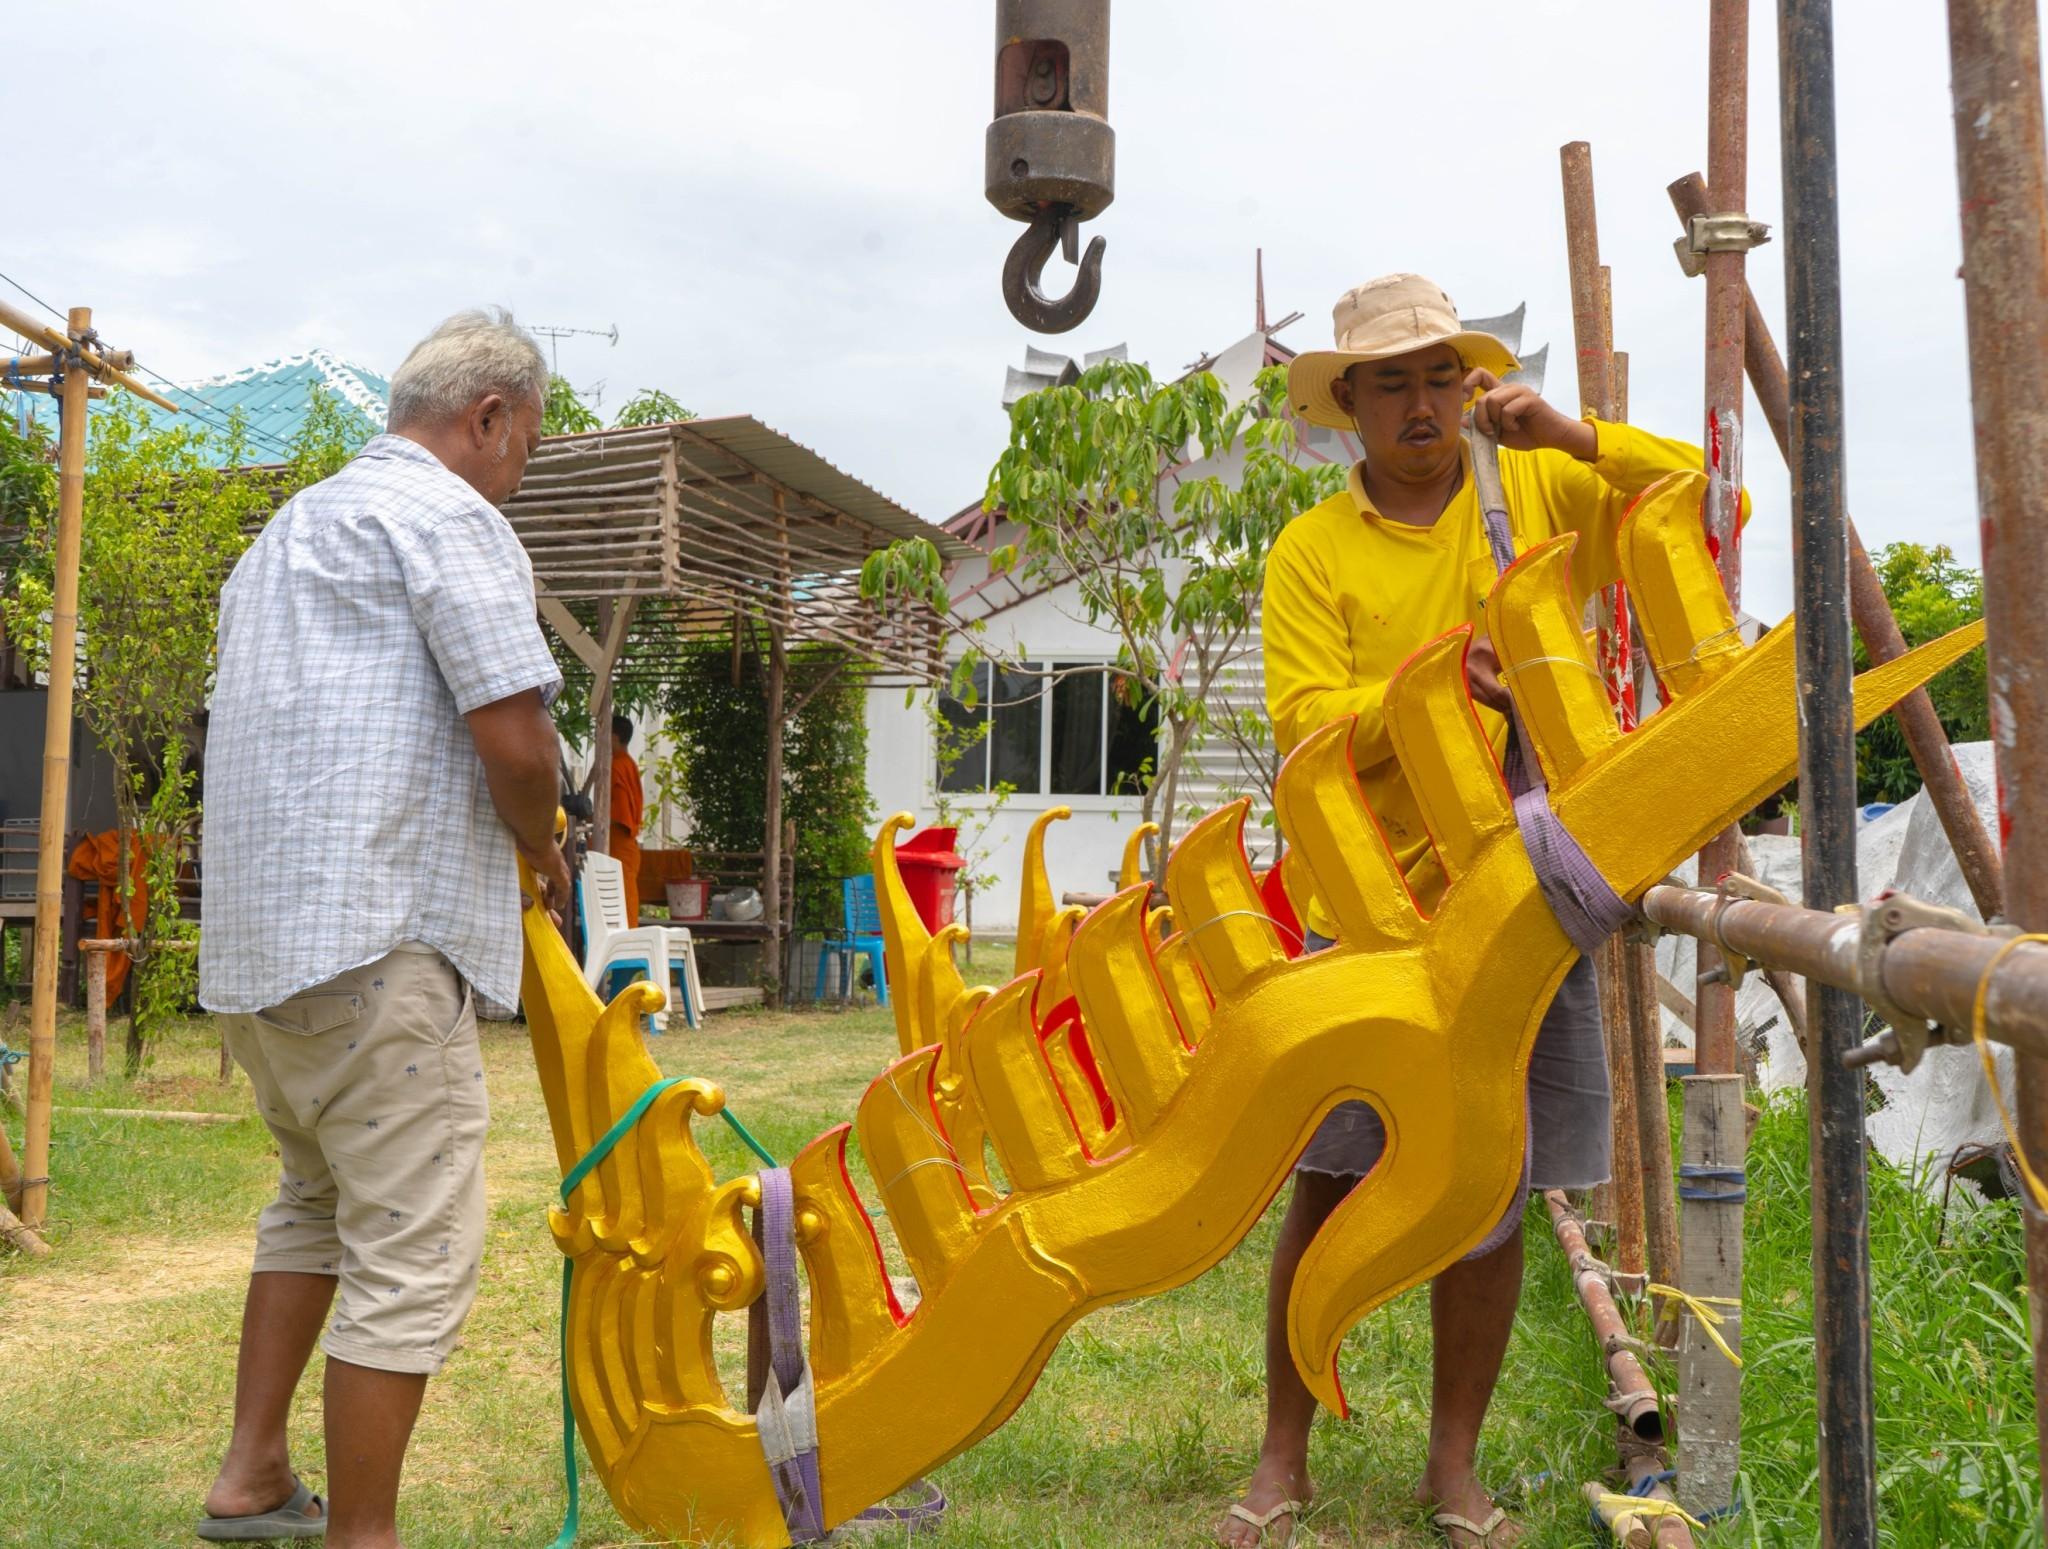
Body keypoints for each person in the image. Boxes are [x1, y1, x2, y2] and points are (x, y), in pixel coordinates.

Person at [1220, 274, 1743, 1549]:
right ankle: (1280, 1454)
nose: (1417, 402)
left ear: (1469, 385)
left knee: (1496, 1185)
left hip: (1533, 883)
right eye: (1386, 381)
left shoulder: (1536, 490)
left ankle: (1448, 1470)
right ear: (1345, 404)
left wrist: (1572, 437)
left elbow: (1707, 506)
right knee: (1335, 1177)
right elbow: (1299, 732)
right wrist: (1434, 685)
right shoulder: (1311, 548)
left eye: (1436, 376)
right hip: (1379, 899)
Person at [196, 308, 572, 1549]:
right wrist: (545, 845)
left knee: (315, 1198)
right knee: (411, 1246)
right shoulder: (450, 517)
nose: (519, 469)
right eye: (527, 442)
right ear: (489, 418)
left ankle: (252, 1474)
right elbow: (515, 740)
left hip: (261, 958)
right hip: (375, 943)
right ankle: (365, 1537)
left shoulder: (287, 530)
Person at [609, 713, 645, 916]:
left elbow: (619, 814)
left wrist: (593, 819)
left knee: (622, 909)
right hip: (626, 846)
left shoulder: (616, 766)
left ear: (613, 737)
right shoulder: (628, 763)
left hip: (619, 843)